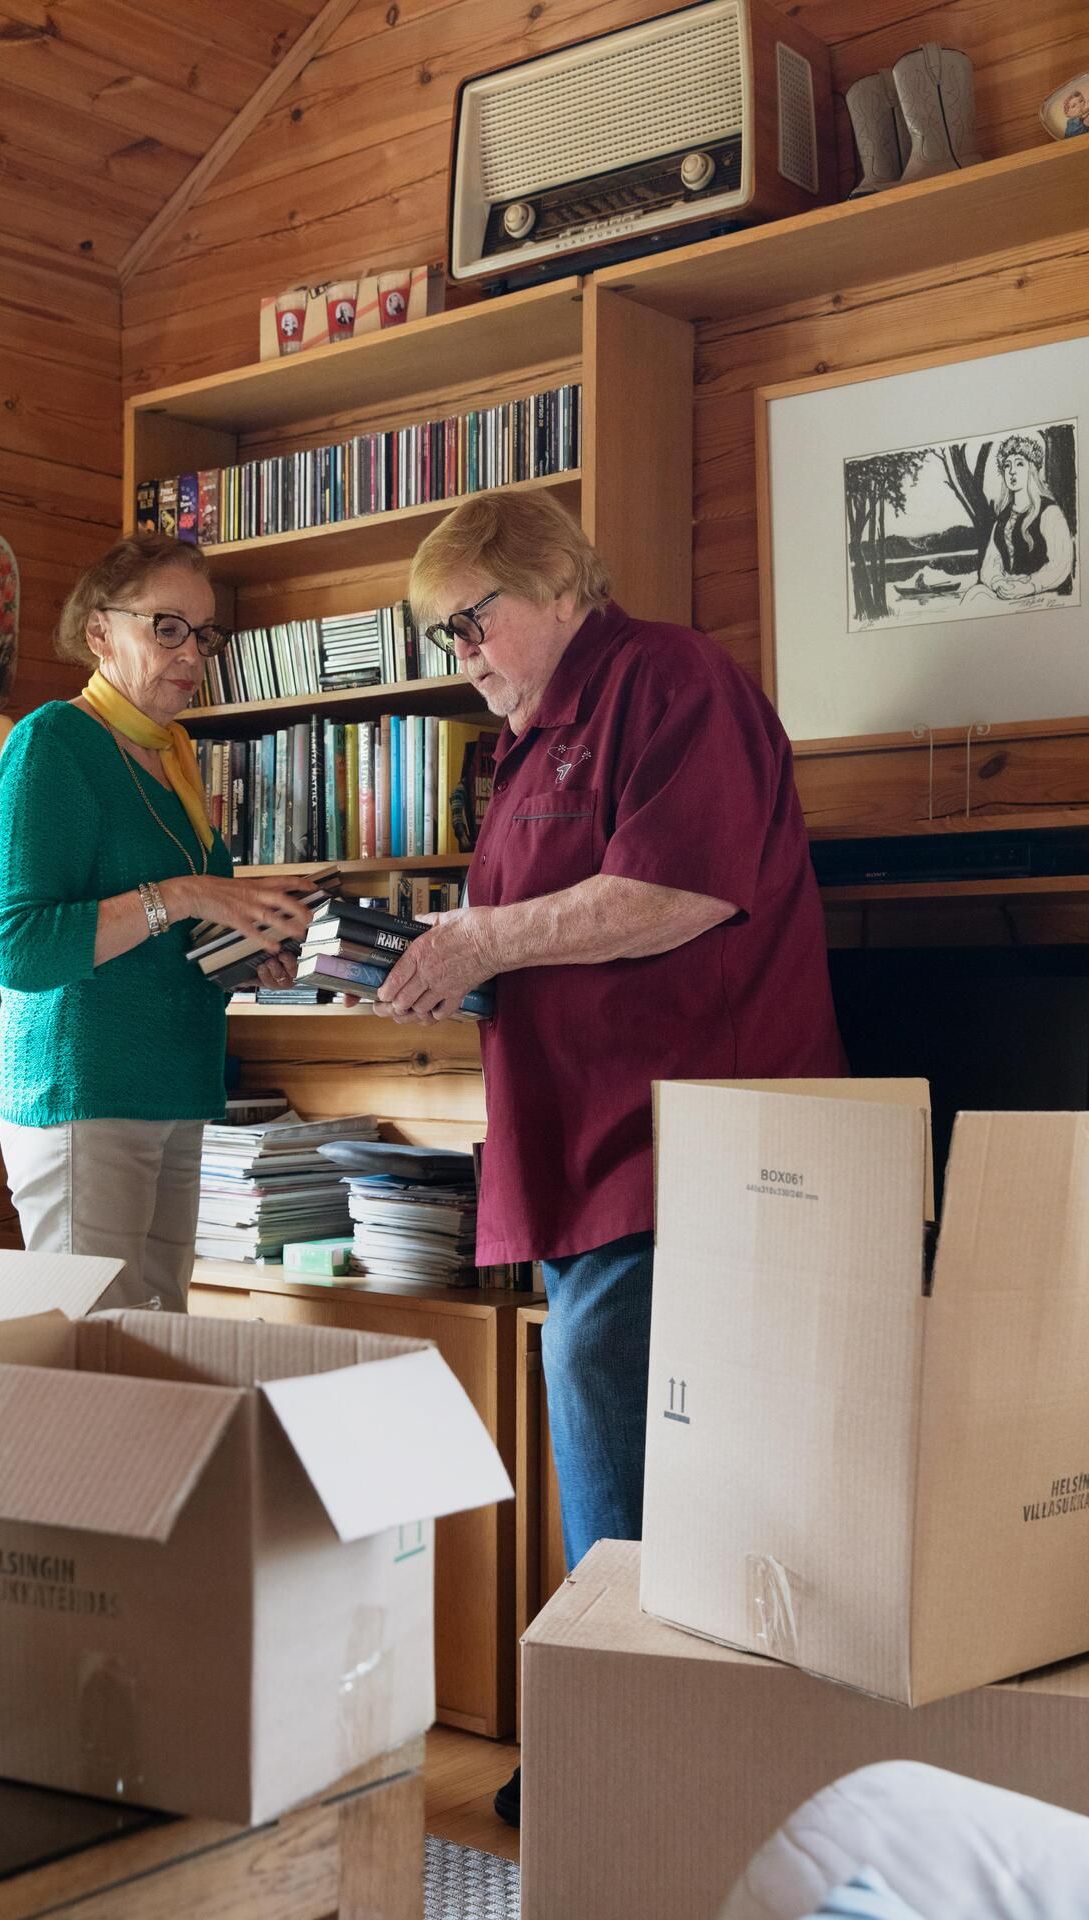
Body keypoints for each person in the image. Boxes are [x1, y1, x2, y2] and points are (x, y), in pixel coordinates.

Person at [375, 491, 847, 1826]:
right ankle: (621, 1740)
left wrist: (485, 941)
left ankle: (619, 1754)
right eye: (439, 632)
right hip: (585, 1154)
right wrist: (436, 957)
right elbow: (545, 932)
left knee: (628, 1442)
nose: (458, 650)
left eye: (471, 618)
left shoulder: (668, 679)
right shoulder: (525, 749)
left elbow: (677, 890)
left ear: (562, 586)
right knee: (608, 1442)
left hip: (689, 1141)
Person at [0, 534, 310, 1311]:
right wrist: (187, 897)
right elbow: (18, 949)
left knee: (158, 1353)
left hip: (177, 1088)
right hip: (85, 1091)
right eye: (167, 626)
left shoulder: (176, 757)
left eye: (205, 634)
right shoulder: (53, 745)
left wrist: (248, 950)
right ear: (100, 632)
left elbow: (169, 940)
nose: (191, 652)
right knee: (94, 1362)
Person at [964, 432, 1075, 608]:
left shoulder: (1049, 512)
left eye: (1019, 464)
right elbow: (990, 564)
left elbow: (1060, 564)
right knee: (974, 595)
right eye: (1007, 466)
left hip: (1041, 593)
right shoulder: (1002, 518)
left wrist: (1028, 586)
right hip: (1007, 590)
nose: (1012, 471)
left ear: (1032, 469)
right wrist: (998, 583)